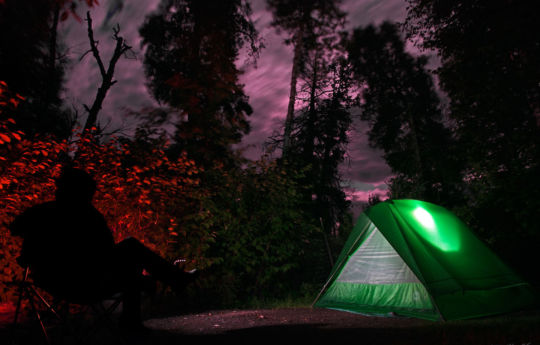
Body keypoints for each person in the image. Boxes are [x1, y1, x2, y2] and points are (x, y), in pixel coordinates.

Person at [10, 166, 196, 331]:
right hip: (84, 282)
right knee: (131, 250)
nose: (91, 197)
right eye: (89, 193)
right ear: (80, 191)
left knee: (131, 264)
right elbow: (106, 250)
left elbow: (15, 228)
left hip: (52, 281)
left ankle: (166, 283)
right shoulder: (89, 216)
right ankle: (166, 286)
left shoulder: (40, 211)